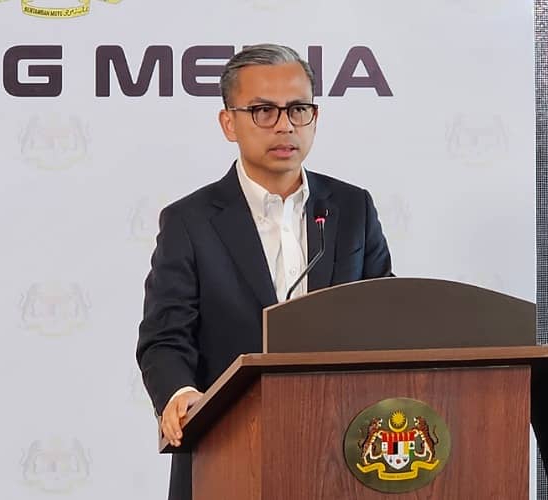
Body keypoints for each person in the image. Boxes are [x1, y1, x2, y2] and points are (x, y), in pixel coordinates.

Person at [135, 43, 392, 500]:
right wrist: (180, 394)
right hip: (227, 450)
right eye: (263, 111)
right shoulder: (190, 221)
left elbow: (385, 318)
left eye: (298, 109)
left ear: (315, 117)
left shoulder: (353, 208)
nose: (284, 125)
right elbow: (165, 336)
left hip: (345, 451)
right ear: (228, 123)